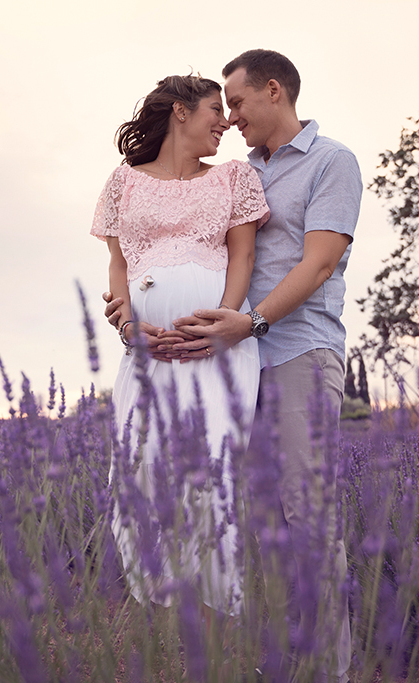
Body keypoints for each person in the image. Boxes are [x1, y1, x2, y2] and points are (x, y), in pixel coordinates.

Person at [105, 49, 361, 682]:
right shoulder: (234, 172)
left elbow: (319, 262)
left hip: (296, 350)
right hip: (231, 363)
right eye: (221, 107)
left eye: (237, 103)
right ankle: (276, 662)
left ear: (273, 92)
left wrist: (249, 321)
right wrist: (132, 311)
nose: (231, 118)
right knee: (246, 517)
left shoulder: (332, 163)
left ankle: (328, 671)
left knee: (307, 511)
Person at [91, 75, 270, 620]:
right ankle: (162, 606)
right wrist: (128, 331)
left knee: (210, 472)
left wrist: (224, 323)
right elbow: (119, 267)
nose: (226, 122)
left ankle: (221, 610)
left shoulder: (234, 179)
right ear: (179, 112)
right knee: (140, 467)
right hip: (146, 357)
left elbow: (241, 259)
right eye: (216, 109)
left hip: (217, 353)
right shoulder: (123, 183)